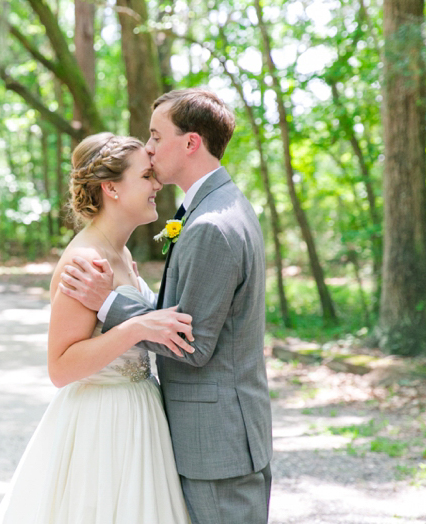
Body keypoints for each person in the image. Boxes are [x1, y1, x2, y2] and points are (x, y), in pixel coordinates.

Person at [60, 88, 273, 524]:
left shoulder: (211, 225)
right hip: (203, 436)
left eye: (156, 137)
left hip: (216, 445)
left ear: (190, 142)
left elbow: (193, 344)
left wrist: (111, 302)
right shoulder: (219, 206)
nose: (150, 149)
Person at [0, 133, 193, 524]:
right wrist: (136, 328)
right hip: (103, 425)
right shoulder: (85, 260)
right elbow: (61, 367)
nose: (157, 185)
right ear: (111, 187)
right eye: (147, 176)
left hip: (140, 414)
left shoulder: (121, 252)